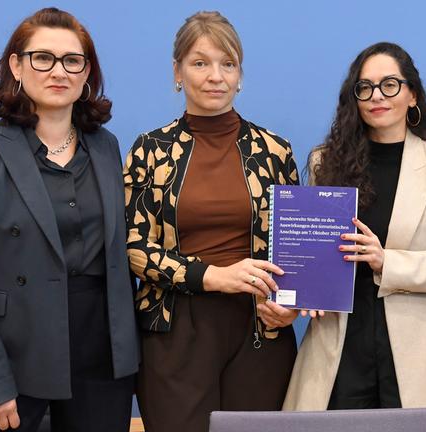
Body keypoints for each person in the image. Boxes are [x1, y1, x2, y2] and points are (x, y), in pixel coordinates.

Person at [0, 7, 139, 432]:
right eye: (42, 58)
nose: (58, 71)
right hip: (10, 355)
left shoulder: (105, 147)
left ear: (87, 73)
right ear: (16, 64)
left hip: (99, 357)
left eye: (72, 60)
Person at [123, 11, 300, 432]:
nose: (215, 76)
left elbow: (294, 246)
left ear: (240, 74)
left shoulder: (275, 151)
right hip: (173, 331)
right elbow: (133, 249)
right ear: (177, 72)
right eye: (200, 63)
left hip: (260, 329)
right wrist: (213, 276)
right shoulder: (149, 150)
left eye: (228, 63)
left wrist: (290, 305)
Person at [282, 42, 426, 410]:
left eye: (390, 84)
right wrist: (304, 289)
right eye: (365, 87)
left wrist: (385, 261)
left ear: (412, 95)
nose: (377, 96)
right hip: (339, 345)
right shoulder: (324, 162)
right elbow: (312, 251)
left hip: (422, 352)